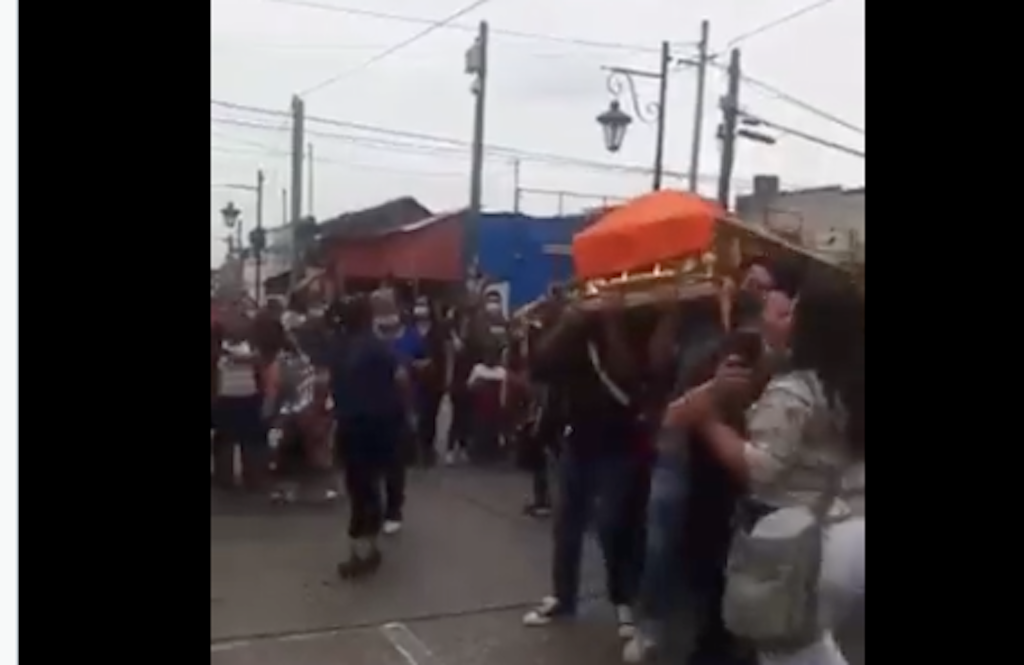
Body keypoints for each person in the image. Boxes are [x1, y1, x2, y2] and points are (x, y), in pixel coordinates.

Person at [667, 269, 864, 665]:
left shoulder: (794, 390)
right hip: (856, 534)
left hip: (812, 542)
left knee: (789, 649)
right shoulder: (851, 381)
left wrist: (710, 425)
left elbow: (761, 470)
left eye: (793, 312)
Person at [625, 258, 802, 665]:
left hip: (747, 482)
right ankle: (658, 626)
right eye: (750, 282)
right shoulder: (713, 332)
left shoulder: (780, 356)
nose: (754, 290)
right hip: (699, 468)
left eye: (766, 287)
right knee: (677, 552)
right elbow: (672, 400)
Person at [522, 292, 645, 642]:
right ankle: (563, 597)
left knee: (611, 526)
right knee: (566, 525)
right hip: (578, 442)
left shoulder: (632, 322)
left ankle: (624, 602)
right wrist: (570, 322)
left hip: (619, 443)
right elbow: (540, 365)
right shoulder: (574, 333)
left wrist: (611, 322)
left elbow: (628, 376)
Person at [330, 295, 416, 578]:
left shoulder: (339, 349)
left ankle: (358, 549)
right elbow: (401, 380)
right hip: (381, 426)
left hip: (349, 425)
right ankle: (369, 546)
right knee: (373, 486)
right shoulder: (381, 349)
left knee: (357, 488)